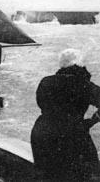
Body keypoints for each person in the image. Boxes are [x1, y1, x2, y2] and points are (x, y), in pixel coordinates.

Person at [31, 49, 100, 181]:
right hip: (72, 135)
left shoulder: (45, 82)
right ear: (79, 65)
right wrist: (93, 120)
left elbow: (41, 104)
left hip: (41, 133)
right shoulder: (83, 84)